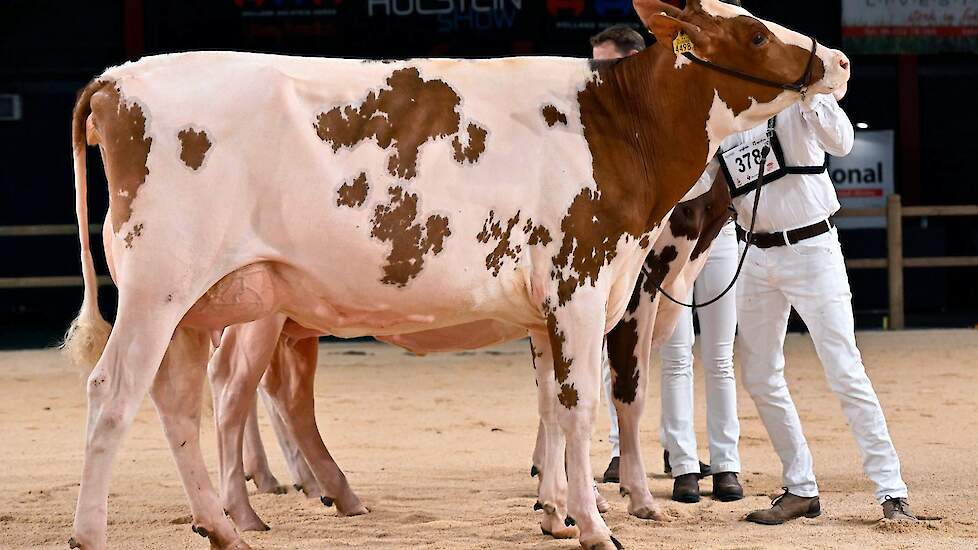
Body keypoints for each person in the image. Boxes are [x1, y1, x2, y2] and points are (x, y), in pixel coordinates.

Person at [708, 84, 918, 523]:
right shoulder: (723, 114)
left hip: (811, 249)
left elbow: (841, 142)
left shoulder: (797, 99)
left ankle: (891, 491)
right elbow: (701, 180)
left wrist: (811, 96)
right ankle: (800, 486)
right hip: (753, 254)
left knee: (844, 368)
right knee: (760, 374)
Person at [589, 24, 647, 484]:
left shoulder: (659, 114)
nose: (599, 75)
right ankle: (616, 452)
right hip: (607, 249)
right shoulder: (596, 114)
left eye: (608, 65)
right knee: (600, 349)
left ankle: (689, 459)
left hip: (662, 246)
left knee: (679, 353)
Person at [658, 212, 742, 503]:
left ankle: (726, 464)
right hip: (673, 234)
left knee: (720, 358)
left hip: (720, 232)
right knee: (676, 357)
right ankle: (683, 465)